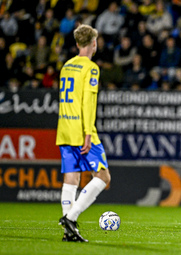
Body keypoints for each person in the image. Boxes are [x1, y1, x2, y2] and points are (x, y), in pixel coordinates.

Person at [56, 24, 111, 242]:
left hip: (65, 129)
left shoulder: (67, 66)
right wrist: (88, 133)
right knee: (103, 176)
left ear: (78, 43)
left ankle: (68, 232)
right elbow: (88, 103)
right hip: (82, 130)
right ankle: (71, 217)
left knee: (72, 177)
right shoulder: (91, 68)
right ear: (93, 43)